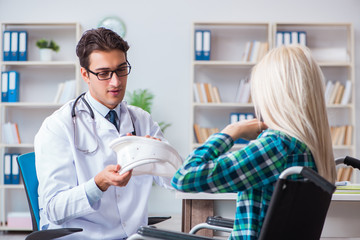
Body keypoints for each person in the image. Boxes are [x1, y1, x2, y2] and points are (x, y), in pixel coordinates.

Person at [171, 45, 336, 240]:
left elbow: (183, 178)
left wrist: (230, 133)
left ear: (273, 95)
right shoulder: (310, 148)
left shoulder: (275, 146)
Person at [34, 28, 172, 239]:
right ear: (85, 75)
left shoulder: (142, 120)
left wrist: (158, 157)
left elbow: (176, 181)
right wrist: (98, 184)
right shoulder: (58, 126)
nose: (115, 82)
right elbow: (53, 209)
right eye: (103, 73)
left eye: (121, 69)